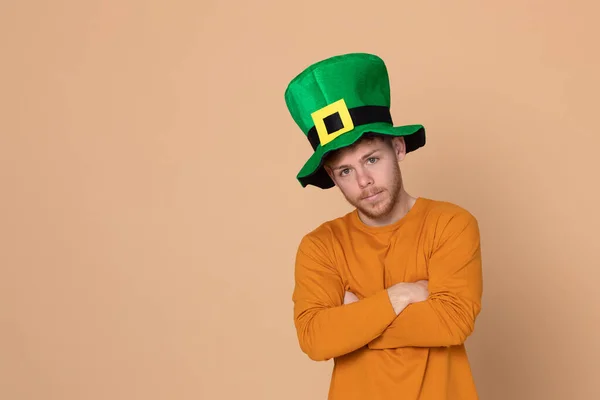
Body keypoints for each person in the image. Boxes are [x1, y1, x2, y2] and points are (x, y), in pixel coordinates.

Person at [284, 52, 484, 399]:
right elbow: (315, 340)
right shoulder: (321, 246)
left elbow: (451, 323)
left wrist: (355, 317)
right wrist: (401, 295)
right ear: (332, 176)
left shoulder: (451, 224)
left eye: (372, 159)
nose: (364, 181)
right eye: (346, 171)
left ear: (398, 147)